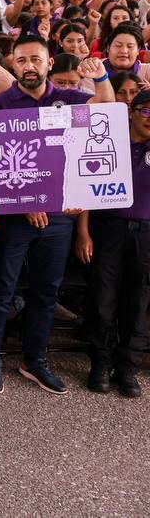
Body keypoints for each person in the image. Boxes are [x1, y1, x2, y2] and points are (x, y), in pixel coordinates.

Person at [0, 35, 113, 396]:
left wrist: (100, 78)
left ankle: (34, 360)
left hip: (59, 218)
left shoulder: (67, 98)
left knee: (46, 291)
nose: (29, 66)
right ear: (12, 64)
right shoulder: (0, 104)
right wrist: (25, 202)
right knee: (2, 290)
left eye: (35, 59)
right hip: (13, 217)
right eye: (21, 60)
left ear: (49, 62)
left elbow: (107, 115)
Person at [74, 89, 150, 398]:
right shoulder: (111, 143)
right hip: (107, 228)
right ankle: (100, 362)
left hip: (146, 232)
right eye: (145, 111)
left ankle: (127, 365)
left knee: (138, 300)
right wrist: (83, 231)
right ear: (131, 112)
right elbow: (87, 188)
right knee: (102, 297)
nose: (149, 118)